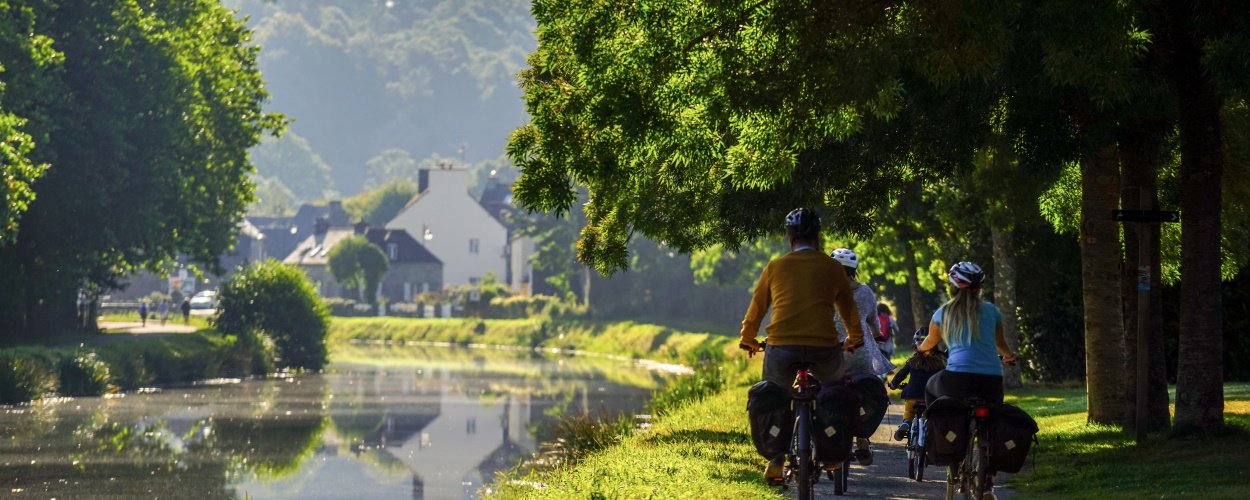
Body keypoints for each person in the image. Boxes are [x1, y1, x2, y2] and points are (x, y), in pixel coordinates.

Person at [739, 208, 866, 483]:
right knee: (833, 392)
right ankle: (831, 454)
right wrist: (855, 339)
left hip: (782, 347)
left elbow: (757, 309)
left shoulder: (776, 267)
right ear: (818, 237)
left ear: (789, 238)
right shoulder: (833, 267)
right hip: (824, 348)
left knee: (776, 395)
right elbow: (848, 309)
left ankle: (775, 460)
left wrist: (748, 339)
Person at [917, 261, 1018, 406]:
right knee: (995, 411)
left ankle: (937, 428)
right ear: (980, 287)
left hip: (957, 379)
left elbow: (931, 341)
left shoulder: (943, 313)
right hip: (991, 380)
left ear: (952, 286)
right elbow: (1000, 344)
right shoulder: (991, 311)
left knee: (930, 387)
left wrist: (921, 348)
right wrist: (1010, 356)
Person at [829, 247, 895, 464]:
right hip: (860, 352)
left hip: (831, 352)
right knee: (863, 390)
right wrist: (876, 334)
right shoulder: (865, 291)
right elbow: (874, 320)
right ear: (854, 270)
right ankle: (862, 436)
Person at [888, 327, 947, 441]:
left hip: (913, 396)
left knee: (909, 412)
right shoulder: (940, 363)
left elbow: (901, 375)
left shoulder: (912, 362)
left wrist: (893, 384)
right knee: (929, 417)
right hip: (931, 398)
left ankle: (907, 423)